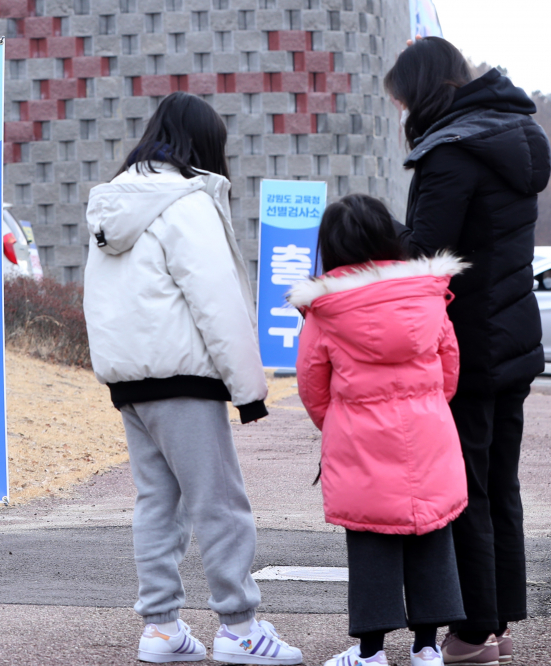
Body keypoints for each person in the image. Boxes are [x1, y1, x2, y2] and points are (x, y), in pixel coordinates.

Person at [83, 92, 303, 665]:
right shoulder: (187, 202)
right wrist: (249, 388)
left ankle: (161, 627)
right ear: (204, 144)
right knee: (220, 503)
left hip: (131, 383)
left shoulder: (115, 202)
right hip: (184, 378)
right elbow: (217, 301)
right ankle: (239, 627)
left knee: (158, 502)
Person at [383, 37, 551, 665]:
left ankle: (474, 632)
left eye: (402, 101)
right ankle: (497, 622)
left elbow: (428, 252)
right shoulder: (510, 137)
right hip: (514, 339)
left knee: (468, 489)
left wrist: (378, 230)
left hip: (469, 346)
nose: (401, 115)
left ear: (423, 93)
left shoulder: (454, 152)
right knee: (499, 484)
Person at [289, 194, 468, 666]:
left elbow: (312, 384)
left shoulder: (326, 308)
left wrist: (339, 424)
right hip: (430, 432)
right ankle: (427, 647)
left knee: (371, 539)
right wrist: (427, 407)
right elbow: (449, 367)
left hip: (359, 438)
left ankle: (370, 653)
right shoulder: (427, 293)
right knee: (431, 531)